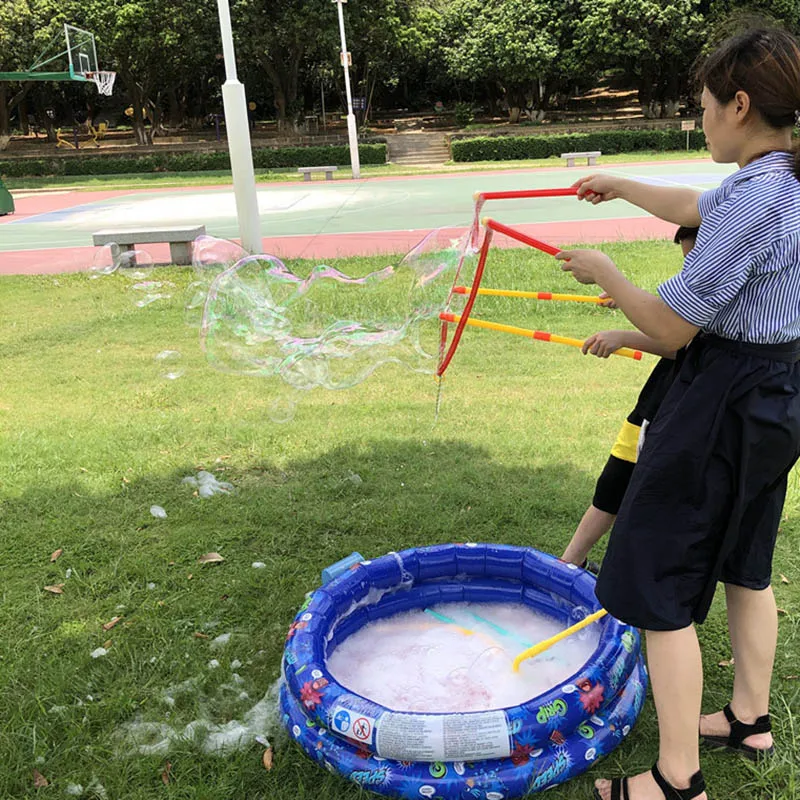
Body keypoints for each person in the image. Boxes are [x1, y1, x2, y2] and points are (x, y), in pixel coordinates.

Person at [553, 27, 800, 800]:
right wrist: (622, 185)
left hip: (723, 401)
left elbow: (667, 330)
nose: (702, 123)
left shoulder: (758, 199)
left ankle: (675, 780)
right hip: (779, 392)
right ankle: (749, 719)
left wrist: (609, 272)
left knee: (661, 584)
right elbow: (697, 203)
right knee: (745, 563)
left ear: (740, 103)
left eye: (704, 109)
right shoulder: (785, 175)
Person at [562, 226, 699, 570]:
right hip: (653, 407)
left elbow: (678, 344)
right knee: (611, 489)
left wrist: (623, 335)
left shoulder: (723, 295)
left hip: (674, 415)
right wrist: (624, 301)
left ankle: (617, 577)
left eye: (696, 260)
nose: (691, 271)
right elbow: (665, 324)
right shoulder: (701, 286)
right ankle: (569, 565)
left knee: (637, 500)